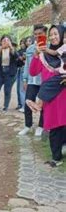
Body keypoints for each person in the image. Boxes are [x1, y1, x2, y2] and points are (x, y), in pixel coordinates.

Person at [27, 24, 66, 167]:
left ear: (62, 35)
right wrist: (36, 55)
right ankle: (56, 158)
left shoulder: (65, 52)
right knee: (54, 127)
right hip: (50, 97)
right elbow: (33, 72)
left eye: (56, 34)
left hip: (64, 95)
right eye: (51, 34)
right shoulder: (43, 54)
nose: (54, 37)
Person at [18, 25, 47, 137]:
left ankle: (40, 126)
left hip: (44, 81)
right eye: (35, 34)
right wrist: (25, 79)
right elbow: (27, 66)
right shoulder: (30, 49)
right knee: (28, 103)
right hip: (31, 81)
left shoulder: (48, 47)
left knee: (43, 105)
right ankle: (28, 126)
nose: (37, 36)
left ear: (45, 34)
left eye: (40, 34)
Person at [0, 35, 19, 111]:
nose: (6, 42)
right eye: (4, 40)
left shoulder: (13, 50)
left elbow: (16, 56)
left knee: (7, 90)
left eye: (8, 40)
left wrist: (11, 47)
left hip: (10, 73)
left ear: (10, 42)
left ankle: (5, 106)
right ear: (1, 42)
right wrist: (1, 48)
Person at [16, 39, 27, 111]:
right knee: (18, 88)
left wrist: (22, 58)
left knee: (22, 89)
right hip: (19, 69)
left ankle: (24, 106)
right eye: (21, 43)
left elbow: (25, 60)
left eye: (23, 43)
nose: (22, 44)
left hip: (24, 69)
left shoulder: (27, 50)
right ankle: (20, 104)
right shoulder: (19, 51)